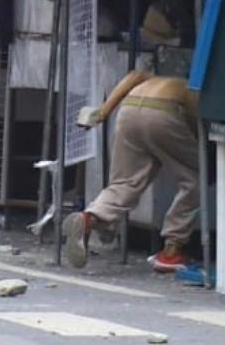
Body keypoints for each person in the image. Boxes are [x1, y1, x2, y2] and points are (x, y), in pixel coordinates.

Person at [63, 70, 199, 273]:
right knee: (195, 179)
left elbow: (134, 76)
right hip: (165, 111)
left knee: (125, 182)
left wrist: (103, 112)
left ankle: (89, 218)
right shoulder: (198, 86)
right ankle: (171, 250)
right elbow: (198, 128)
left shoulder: (156, 75)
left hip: (129, 109)